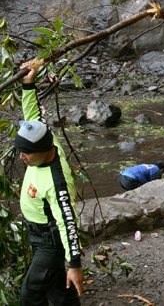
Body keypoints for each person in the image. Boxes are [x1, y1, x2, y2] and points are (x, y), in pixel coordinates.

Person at [16, 61, 84, 305]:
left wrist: (74, 264)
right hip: (36, 233)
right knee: (58, 289)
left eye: (25, 153)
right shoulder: (46, 139)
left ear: (42, 151)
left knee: (30, 294)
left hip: (50, 241)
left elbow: (67, 222)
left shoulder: (58, 182)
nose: (22, 157)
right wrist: (28, 83)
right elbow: (33, 117)